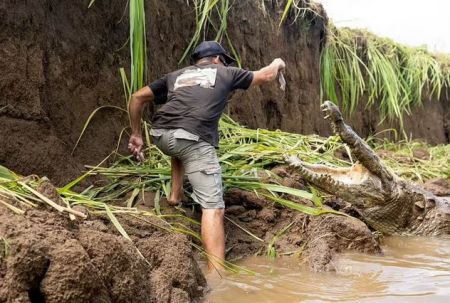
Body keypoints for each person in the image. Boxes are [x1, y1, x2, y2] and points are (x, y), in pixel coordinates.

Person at [128, 40, 285, 270]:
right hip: (192, 140)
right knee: (214, 207)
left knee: (181, 140)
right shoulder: (226, 72)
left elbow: (136, 97)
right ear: (217, 59)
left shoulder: (176, 76)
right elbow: (266, 75)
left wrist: (136, 134)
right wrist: (279, 62)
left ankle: (175, 195)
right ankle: (217, 276)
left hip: (160, 135)